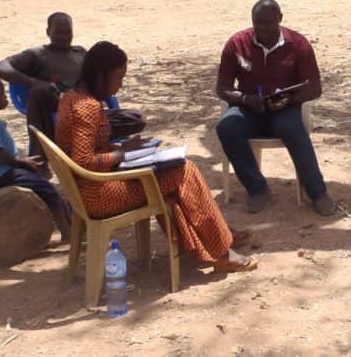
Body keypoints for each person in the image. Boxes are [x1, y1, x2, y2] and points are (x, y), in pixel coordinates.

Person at [55, 41, 257, 273]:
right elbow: (84, 160)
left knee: (174, 173)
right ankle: (222, 251)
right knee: (185, 171)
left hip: (88, 188)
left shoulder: (71, 97)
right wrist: (121, 154)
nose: (119, 87)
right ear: (101, 74)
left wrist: (124, 147)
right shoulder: (87, 107)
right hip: (100, 194)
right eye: (118, 79)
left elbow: (90, 148)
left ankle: (215, 238)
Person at [215, 0, 336, 216]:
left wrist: (289, 98)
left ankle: (318, 193)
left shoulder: (298, 44)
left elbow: (315, 88)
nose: (263, 29)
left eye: (268, 23)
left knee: (292, 129)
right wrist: (244, 99)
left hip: (283, 108)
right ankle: (257, 189)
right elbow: (222, 87)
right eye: (257, 23)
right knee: (227, 127)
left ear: (280, 19)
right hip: (249, 108)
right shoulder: (237, 43)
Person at [0, 12, 145, 157]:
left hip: (89, 113)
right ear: (48, 32)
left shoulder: (81, 53)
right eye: (59, 33)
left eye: (68, 33)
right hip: (60, 112)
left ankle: (90, 139)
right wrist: (34, 81)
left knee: (135, 118)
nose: (64, 38)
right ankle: (43, 151)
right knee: (39, 91)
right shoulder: (37, 54)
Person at [0, 74, 72, 241]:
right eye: (1, 94)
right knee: (50, 192)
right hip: (3, 174)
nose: (6, 97)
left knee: (40, 178)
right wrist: (23, 162)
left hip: (5, 170)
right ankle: (68, 234)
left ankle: (70, 221)